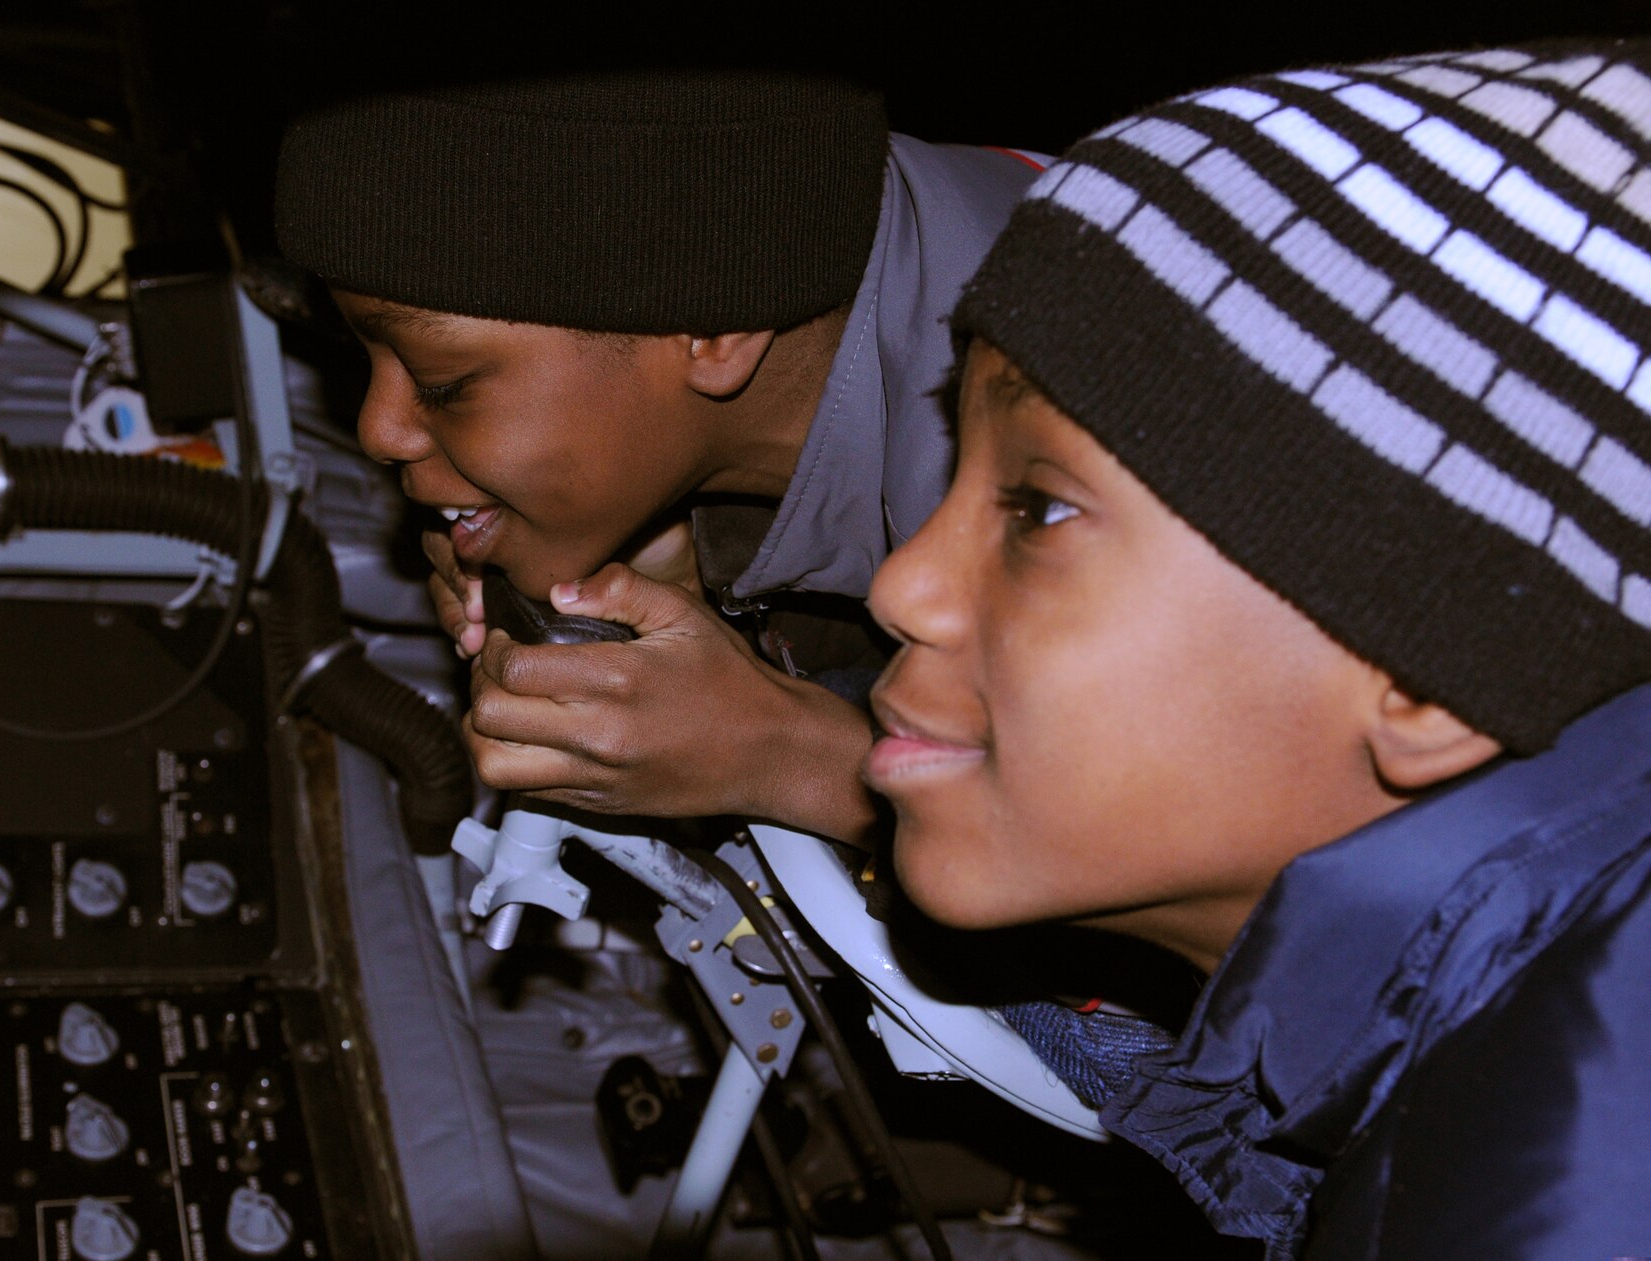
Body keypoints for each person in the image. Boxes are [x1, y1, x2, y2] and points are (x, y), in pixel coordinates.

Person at [864, 37, 1651, 1258]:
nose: (900, 584)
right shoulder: (1502, 1087)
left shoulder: (1563, 1196)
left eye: (1038, 508)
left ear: (1425, 669)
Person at [272, 70, 1043, 842]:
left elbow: (1140, 878)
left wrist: (783, 754)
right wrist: (701, 559)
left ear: (716, 324)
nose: (380, 432)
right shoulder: (822, 216)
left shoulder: (1036, 472)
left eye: (444, 383)